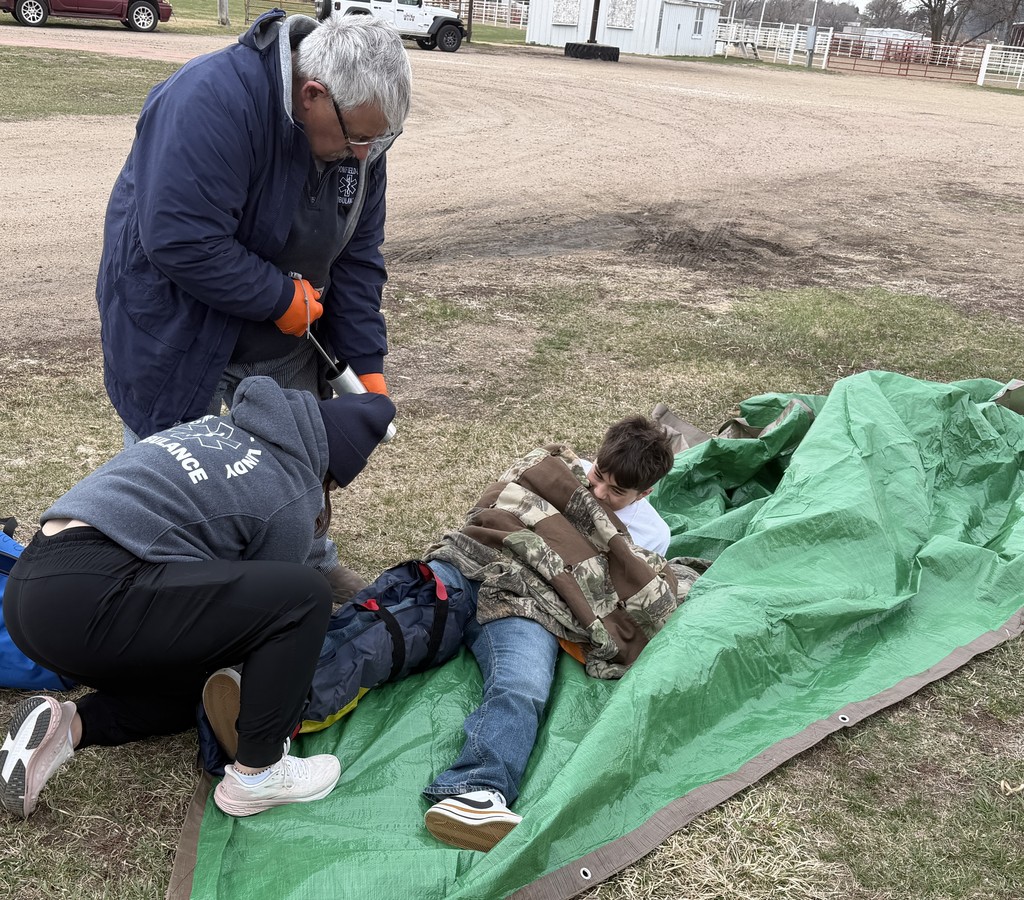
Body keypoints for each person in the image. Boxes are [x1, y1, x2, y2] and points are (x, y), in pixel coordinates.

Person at [95, 10, 412, 602]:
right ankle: (164, 597)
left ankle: (308, 568)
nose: (366, 153)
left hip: (286, 336)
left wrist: (366, 363)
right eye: (359, 137)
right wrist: (276, 297)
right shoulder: (210, 99)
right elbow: (180, 237)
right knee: (180, 473)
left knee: (293, 462)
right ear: (312, 94)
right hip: (182, 332)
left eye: (380, 138)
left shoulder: (359, 140)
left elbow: (359, 257)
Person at [0, 376, 395, 821]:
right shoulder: (292, 488)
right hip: (94, 598)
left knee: (195, 687)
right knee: (304, 597)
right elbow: (270, 614)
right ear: (333, 469)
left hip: (32, 591)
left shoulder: (217, 430)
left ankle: (67, 728)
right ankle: (259, 773)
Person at [419, 414, 685, 851]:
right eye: (599, 476)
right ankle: (269, 736)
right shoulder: (556, 474)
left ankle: (474, 791)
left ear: (645, 493)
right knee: (381, 627)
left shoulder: (653, 535)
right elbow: (496, 508)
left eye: (617, 492)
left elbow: (618, 598)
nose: (598, 493)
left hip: (533, 606)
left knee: (522, 685)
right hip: (474, 566)